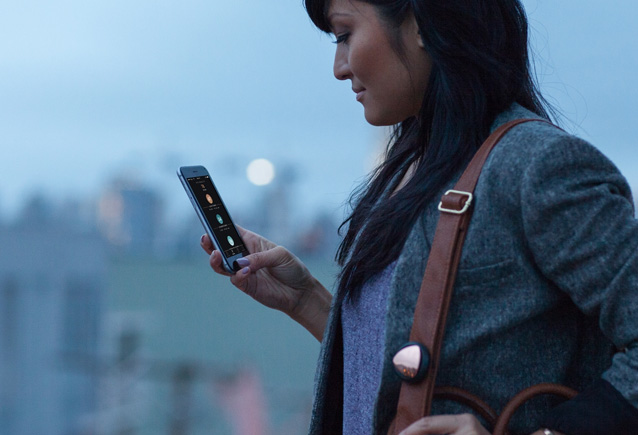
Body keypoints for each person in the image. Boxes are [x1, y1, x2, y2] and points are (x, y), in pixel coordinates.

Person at [200, 0, 638, 433]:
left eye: (345, 35)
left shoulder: (537, 166)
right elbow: (403, 372)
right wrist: (306, 301)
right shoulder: (413, 168)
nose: (339, 67)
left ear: (420, 24)